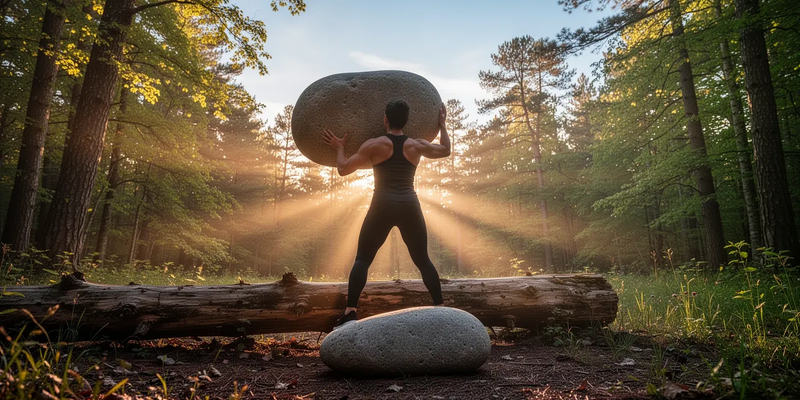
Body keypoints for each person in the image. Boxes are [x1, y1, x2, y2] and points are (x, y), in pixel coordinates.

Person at [321, 99, 450, 329]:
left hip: (382, 206)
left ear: (385, 119)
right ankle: (441, 309)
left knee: (362, 259)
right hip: (409, 205)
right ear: (407, 121)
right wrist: (442, 126)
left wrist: (340, 147)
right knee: (423, 260)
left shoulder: (374, 144)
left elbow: (342, 169)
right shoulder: (416, 145)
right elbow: (445, 150)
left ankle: (350, 312)